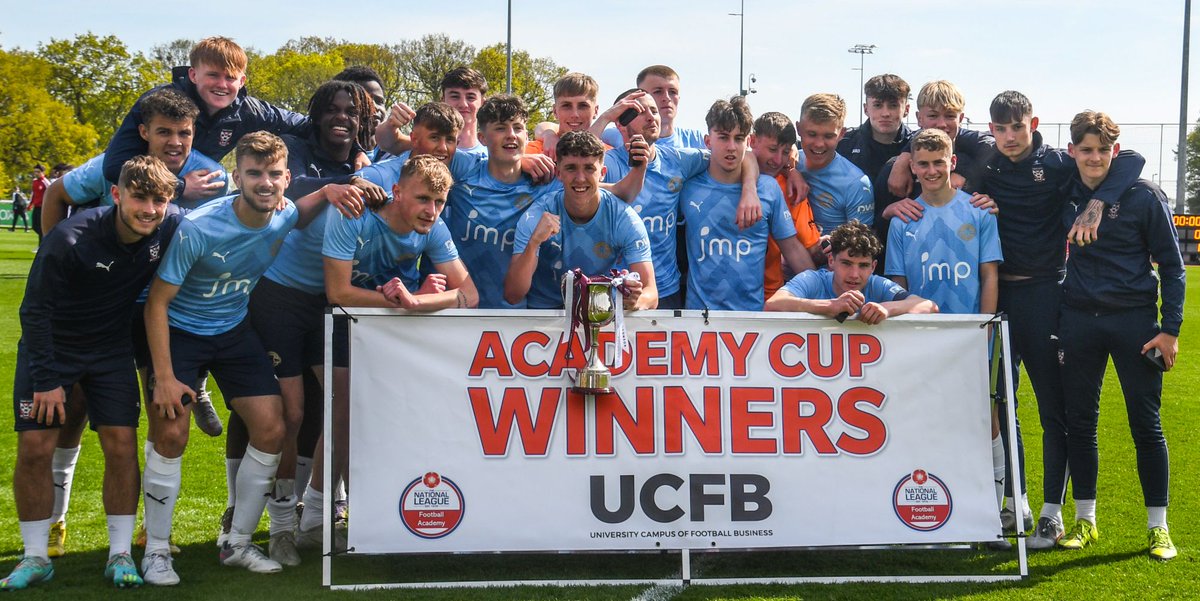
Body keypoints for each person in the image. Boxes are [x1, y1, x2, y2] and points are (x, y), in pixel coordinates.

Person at [141, 132, 363, 584]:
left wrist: (330, 190)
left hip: (233, 329)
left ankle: (238, 544)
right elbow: (157, 303)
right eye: (254, 174)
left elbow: (301, 212)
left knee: (272, 426)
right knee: (171, 430)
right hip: (183, 331)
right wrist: (163, 375)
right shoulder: (200, 228)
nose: (265, 183)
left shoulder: (282, 213)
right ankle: (157, 551)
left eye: (274, 175)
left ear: (287, 179)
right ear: (236, 176)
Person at [34, 87, 230, 561]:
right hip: (100, 307)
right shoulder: (112, 166)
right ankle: (57, 521)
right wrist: (54, 257)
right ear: (144, 132)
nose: (175, 142)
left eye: (183, 133)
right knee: (76, 410)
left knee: (160, 409)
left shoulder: (212, 174)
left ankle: (149, 529)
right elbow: (57, 195)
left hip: (162, 310)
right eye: (163, 132)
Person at [973, 91, 1145, 548]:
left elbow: (1132, 159)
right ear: (991, 129)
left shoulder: (1058, 163)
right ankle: (1016, 501)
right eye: (1001, 128)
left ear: (1034, 124)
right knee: (998, 404)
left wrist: (1097, 203)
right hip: (995, 295)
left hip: (1047, 295)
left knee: (1055, 409)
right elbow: (933, 171)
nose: (1009, 137)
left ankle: (1053, 513)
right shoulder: (983, 162)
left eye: (1017, 127)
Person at [1, 156, 181, 590]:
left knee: (120, 444)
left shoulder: (170, 228)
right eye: (139, 198)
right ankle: (35, 557)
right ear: (117, 195)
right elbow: (35, 310)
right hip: (53, 350)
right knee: (35, 447)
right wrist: (46, 380)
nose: (149, 210)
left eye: (159, 200)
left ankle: (119, 554)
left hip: (109, 351)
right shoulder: (69, 237)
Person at [294, 155, 478, 546]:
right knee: (344, 414)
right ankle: (314, 515)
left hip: (390, 329)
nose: (431, 211)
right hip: (335, 319)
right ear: (397, 191)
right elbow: (339, 292)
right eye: (423, 199)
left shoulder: (432, 226)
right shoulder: (355, 215)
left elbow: (468, 294)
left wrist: (415, 302)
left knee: (390, 418)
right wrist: (401, 302)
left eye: (440, 202)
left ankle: (374, 511)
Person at [238, 81, 385, 566]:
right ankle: (277, 525)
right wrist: (330, 189)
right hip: (282, 297)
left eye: (351, 111)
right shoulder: (299, 153)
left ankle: (316, 516)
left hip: (332, 301)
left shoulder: (367, 162)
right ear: (317, 116)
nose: (341, 118)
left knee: (344, 409)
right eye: (332, 110)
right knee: (291, 415)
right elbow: (288, 205)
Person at [1056, 111, 1184, 561]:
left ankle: (1159, 528)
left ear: (1115, 149)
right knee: (1081, 425)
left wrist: (1170, 330)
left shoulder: (1144, 196)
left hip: (1135, 324)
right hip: (1078, 322)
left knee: (1146, 427)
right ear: (1071, 151)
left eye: (1103, 150)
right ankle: (1085, 521)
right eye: (1086, 150)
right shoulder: (1064, 188)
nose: (1094, 158)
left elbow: (1172, 266)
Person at [883, 127, 1005, 526]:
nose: (932, 170)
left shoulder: (979, 211)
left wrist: (984, 325)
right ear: (912, 168)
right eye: (924, 164)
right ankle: (929, 500)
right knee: (924, 414)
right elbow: (898, 287)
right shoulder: (904, 221)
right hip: (922, 340)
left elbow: (989, 275)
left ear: (953, 163)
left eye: (940, 162)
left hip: (970, 335)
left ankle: (995, 501)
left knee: (983, 414)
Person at [601, 89, 764, 309]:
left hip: (667, 290)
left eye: (654, 110)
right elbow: (577, 169)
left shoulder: (678, 160)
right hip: (617, 288)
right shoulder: (608, 163)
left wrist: (749, 188)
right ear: (619, 123)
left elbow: (739, 154)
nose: (651, 117)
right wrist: (604, 118)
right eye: (640, 112)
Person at [101, 36, 308, 199]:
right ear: (193, 75)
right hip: (131, 187)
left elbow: (302, 124)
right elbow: (114, 167)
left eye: (230, 78)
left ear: (242, 81)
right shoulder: (159, 103)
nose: (222, 85)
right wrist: (179, 185)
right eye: (213, 75)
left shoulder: (250, 111)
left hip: (192, 188)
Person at [681, 97, 815, 310]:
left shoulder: (768, 188)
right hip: (699, 320)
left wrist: (824, 292)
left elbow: (793, 250)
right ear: (708, 141)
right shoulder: (687, 187)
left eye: (739, 138)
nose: (732, 147)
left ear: (748, 141)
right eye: (723, 137)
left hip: (752, 319)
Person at [504, 130, 655, 310]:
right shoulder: (537, 215)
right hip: (543, 315)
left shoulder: (624, 218)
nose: (580, 178)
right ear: (558, 173)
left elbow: (651, 294)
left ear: (602, 173)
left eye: (589, 168)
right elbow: (513, 295)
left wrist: (634, 301)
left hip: (598, 314)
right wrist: (534, 243)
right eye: (571, 168)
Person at [765, 220, 937, 322]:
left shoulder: (877, 284)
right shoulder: (813, 279)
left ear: (873, 267)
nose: (854, 274)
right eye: (846, 263)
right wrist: (829, 306)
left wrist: (887, 309)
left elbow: (929, 306)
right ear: (831, 261)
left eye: (863, 265)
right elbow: (772, 306)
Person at [750, 111, 823, 296]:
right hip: (715, 300)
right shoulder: (723, 173)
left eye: (785, 152)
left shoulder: (792, 189)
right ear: (752, 141)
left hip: (769, 296)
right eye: (772, 149)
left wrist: (823, 293)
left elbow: (804, 249)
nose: (777, 160)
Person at [795, 94, 873, 234]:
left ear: (842, 133)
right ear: (798, 129)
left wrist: (833, 243)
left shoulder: (857, 184)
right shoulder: (787, 162)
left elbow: (861, 247)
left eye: (828, 136)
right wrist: (790, 171)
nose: (819, 144)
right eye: (812, 134)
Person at [596, 65, 707, 150]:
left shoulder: (695, 140)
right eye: (658, 91)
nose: (666, 98)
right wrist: (606, 117)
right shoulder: (617, 134)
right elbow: (582, 149)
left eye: (673, 92)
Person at [837, 74, 914, 185]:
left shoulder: (916, 145)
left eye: (893, 105)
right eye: (878, 105)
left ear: (906, 110)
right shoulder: (844, 143)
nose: (885, 113)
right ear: (866, 109)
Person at [527, 72, 607, 160]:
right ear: (555, 111)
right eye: (566, 106)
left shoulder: (609, 154)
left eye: (583, 106)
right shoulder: (532, 153)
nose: (575, 114)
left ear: (595, 111)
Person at [30, 165, 49, 246]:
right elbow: (33, 193)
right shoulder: (34, 181)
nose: (36, 173)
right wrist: (30, 204)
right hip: (36, 207)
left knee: (41, 227)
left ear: (43, 172)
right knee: (34, 226)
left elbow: (50, 193)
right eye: (35, 172)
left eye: (38, 172)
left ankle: (41, 245)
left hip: (43, 207)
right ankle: (45, 239)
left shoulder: (46, 182)